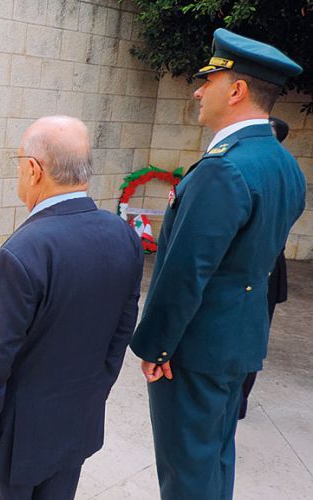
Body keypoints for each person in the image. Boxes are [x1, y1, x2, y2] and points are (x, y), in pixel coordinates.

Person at [130, 29, 306, 499]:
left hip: (195, 349)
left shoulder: (224, 167)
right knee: (214, 460)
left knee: (187, 473)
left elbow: (186, 273)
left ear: (236, 90)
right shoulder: (283, 163)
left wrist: (157, 346)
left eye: (208, 80)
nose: (197, 91)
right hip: (239, 339)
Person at [0, 116, 144, 499]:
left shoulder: (21, 254)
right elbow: (119, 336)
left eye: (19, 162)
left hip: (14, 445)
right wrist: (89, 401)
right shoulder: (122, 235)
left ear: (34, 170)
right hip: (76, 426)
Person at [239, 115, 290, 420]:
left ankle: (240, 400)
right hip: (248, 265)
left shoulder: (281, 172)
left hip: (267, 267)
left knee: (254, 334)